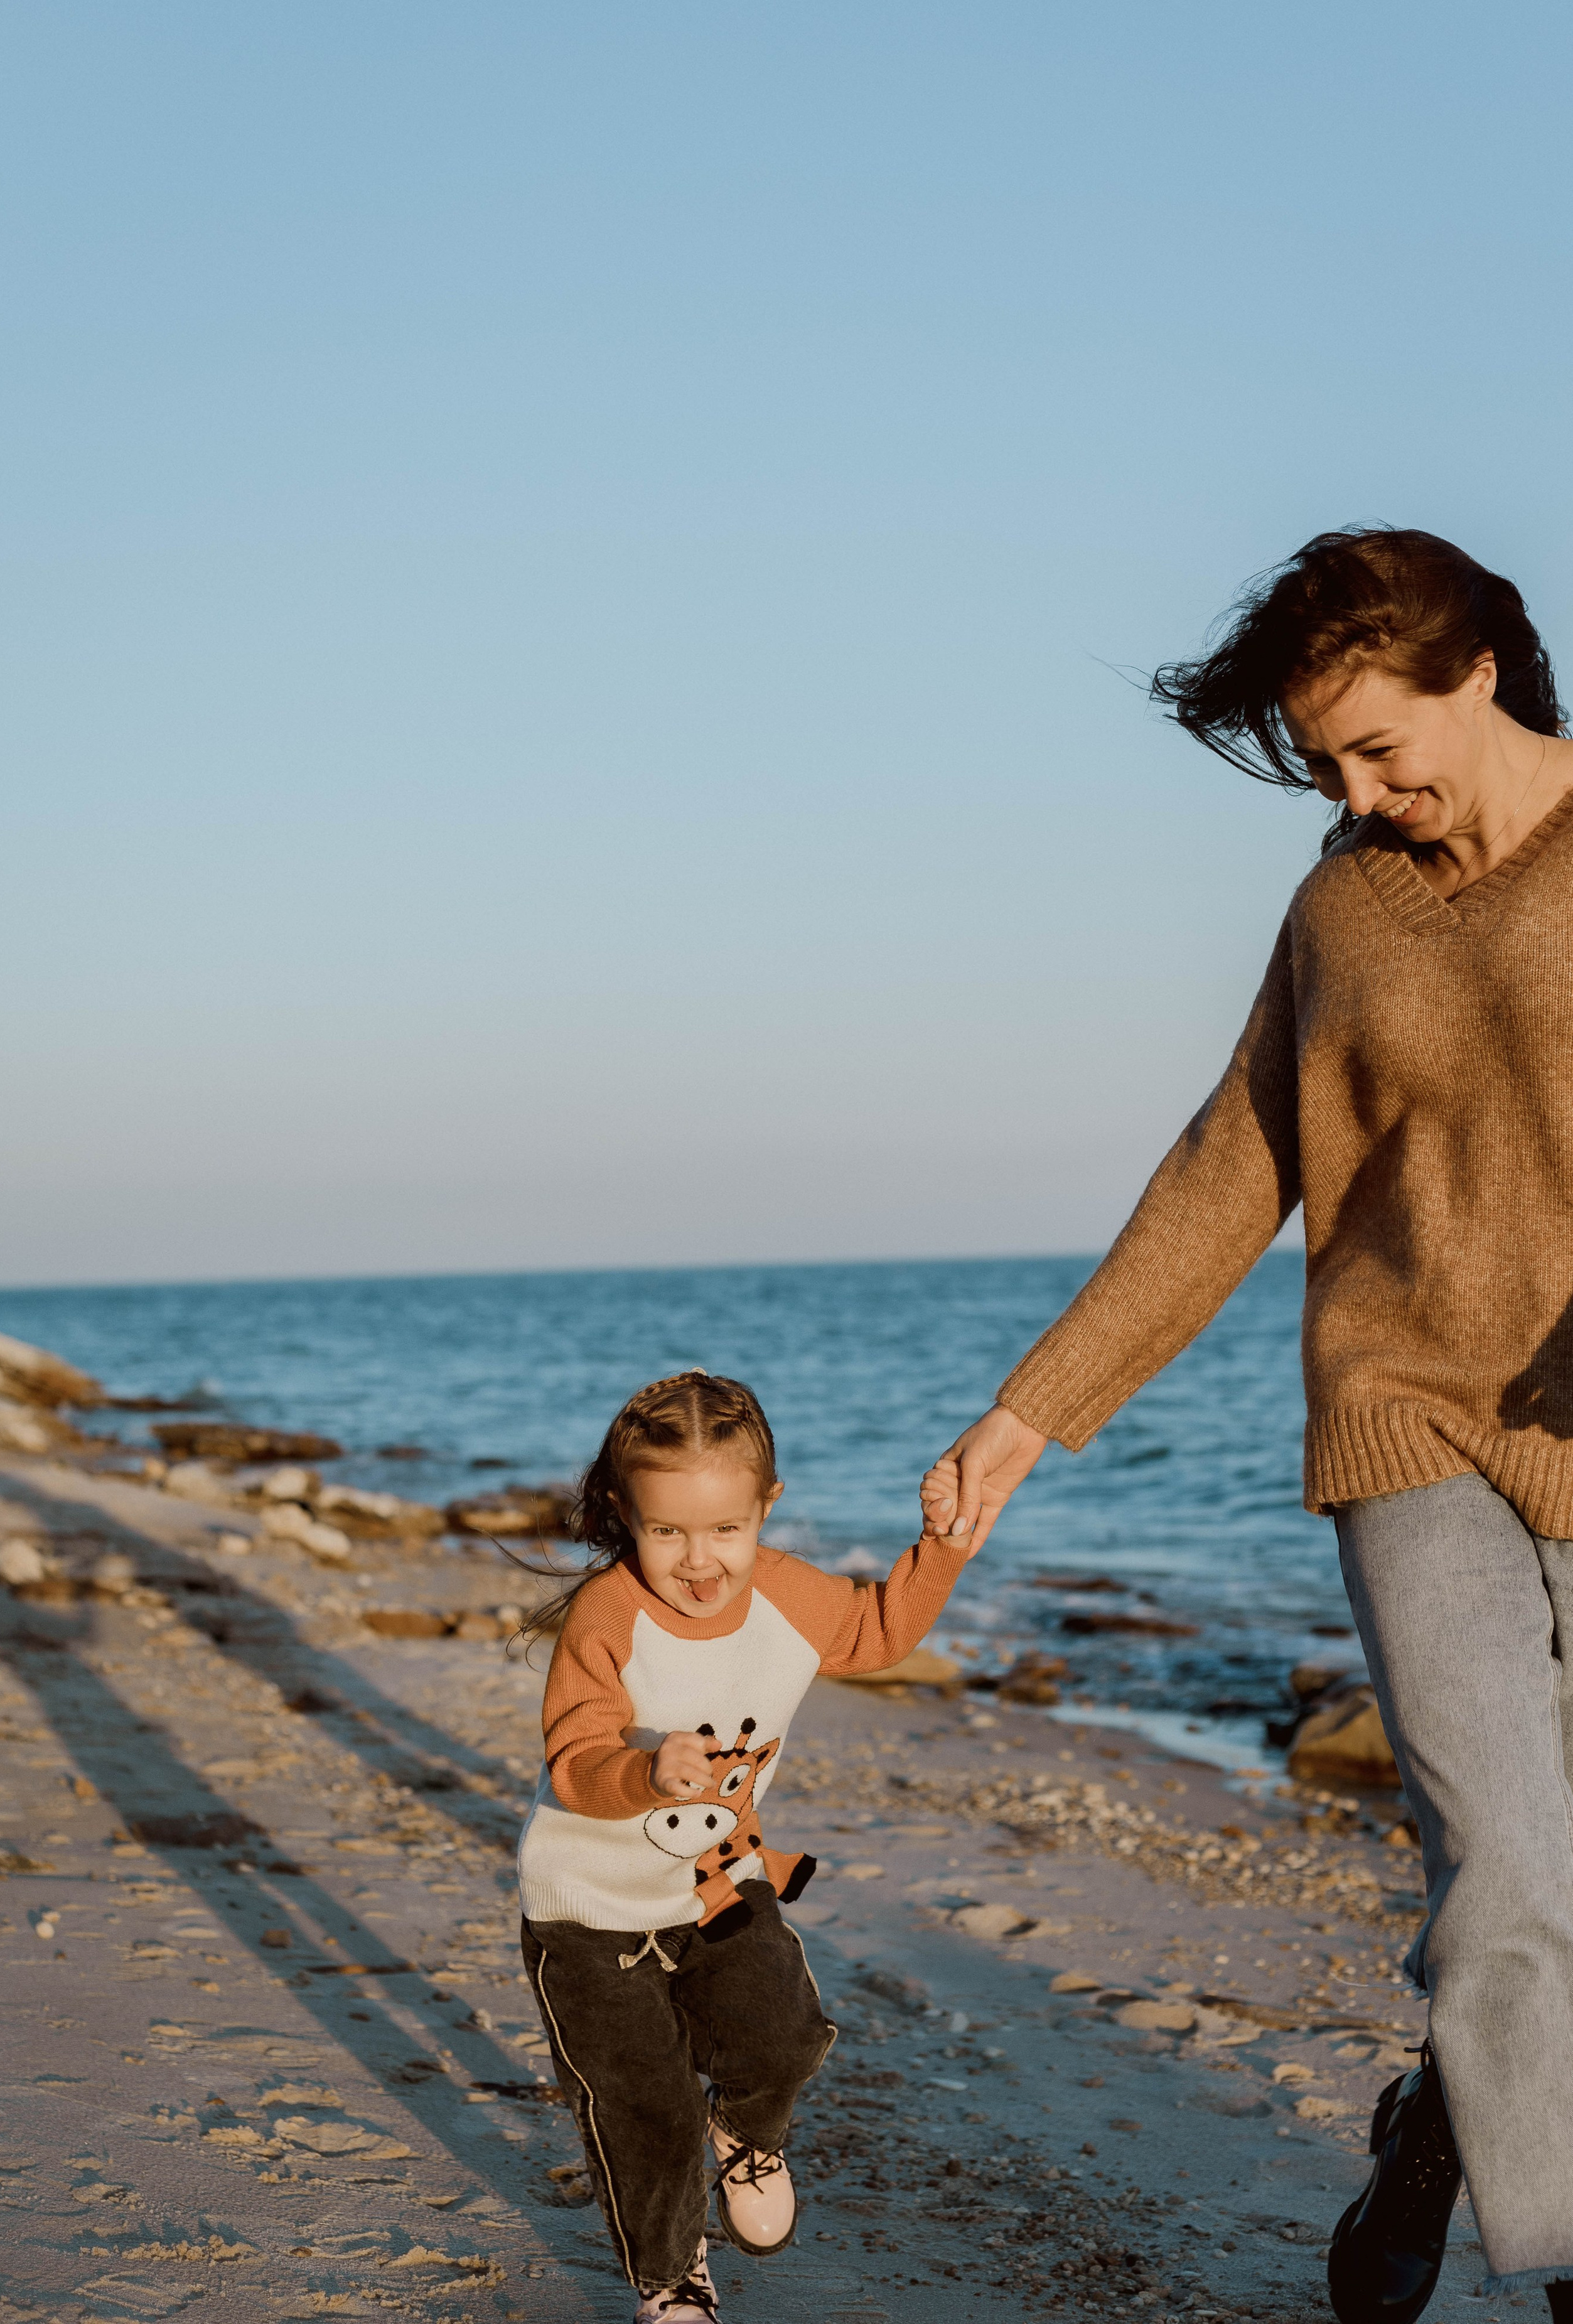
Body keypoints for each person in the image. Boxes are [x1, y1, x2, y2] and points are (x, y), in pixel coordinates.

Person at [923, 526, 1573, 2324]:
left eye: (1380, 749)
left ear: (1483, 674)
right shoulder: (1345, 907)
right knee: (1509, 1867)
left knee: (1553, 1903)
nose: (1357, 793)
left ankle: (1441, 2118)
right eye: (1326, 763)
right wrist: (1028, 1414)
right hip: (1412, 1429)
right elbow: (1236, 1168)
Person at [517, 1367, 979, 2324]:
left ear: (768, 1507)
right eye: (667, 1531)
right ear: (621, 1512)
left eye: (727, 1529)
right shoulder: (608, 1618)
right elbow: (575, 1759)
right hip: (587, 1909)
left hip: (719, 1879)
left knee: (786, 2032)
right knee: (644, 2110)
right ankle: (673, 2276)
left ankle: (745, 2135)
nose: (699, 1560)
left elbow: (879, 1630)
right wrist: (647, 1772)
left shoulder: (789, 1595)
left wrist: (939, 1546)